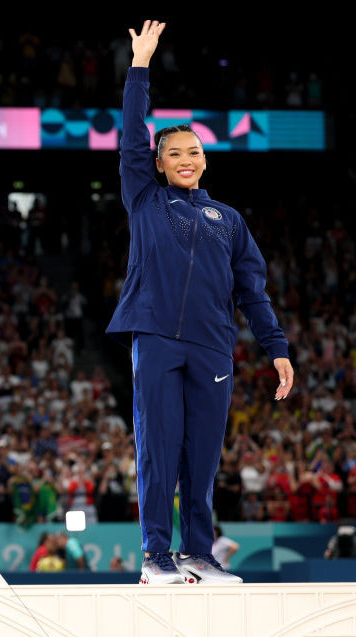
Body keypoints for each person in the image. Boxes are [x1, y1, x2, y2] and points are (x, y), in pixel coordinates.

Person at [105, 21, 294, 585]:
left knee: (203, 458)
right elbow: (133, 133)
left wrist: (277, 349)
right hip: (156, 335)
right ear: (158, 163)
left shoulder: (229, 220)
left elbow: (253, 292)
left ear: (205, 161)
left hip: (214, 346)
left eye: (194, 151)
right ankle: (155, 556)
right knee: (160, 449)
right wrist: (140, 65)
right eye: (174, 153)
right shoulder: (143, 198)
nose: (185, 159)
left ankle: (198, 554)